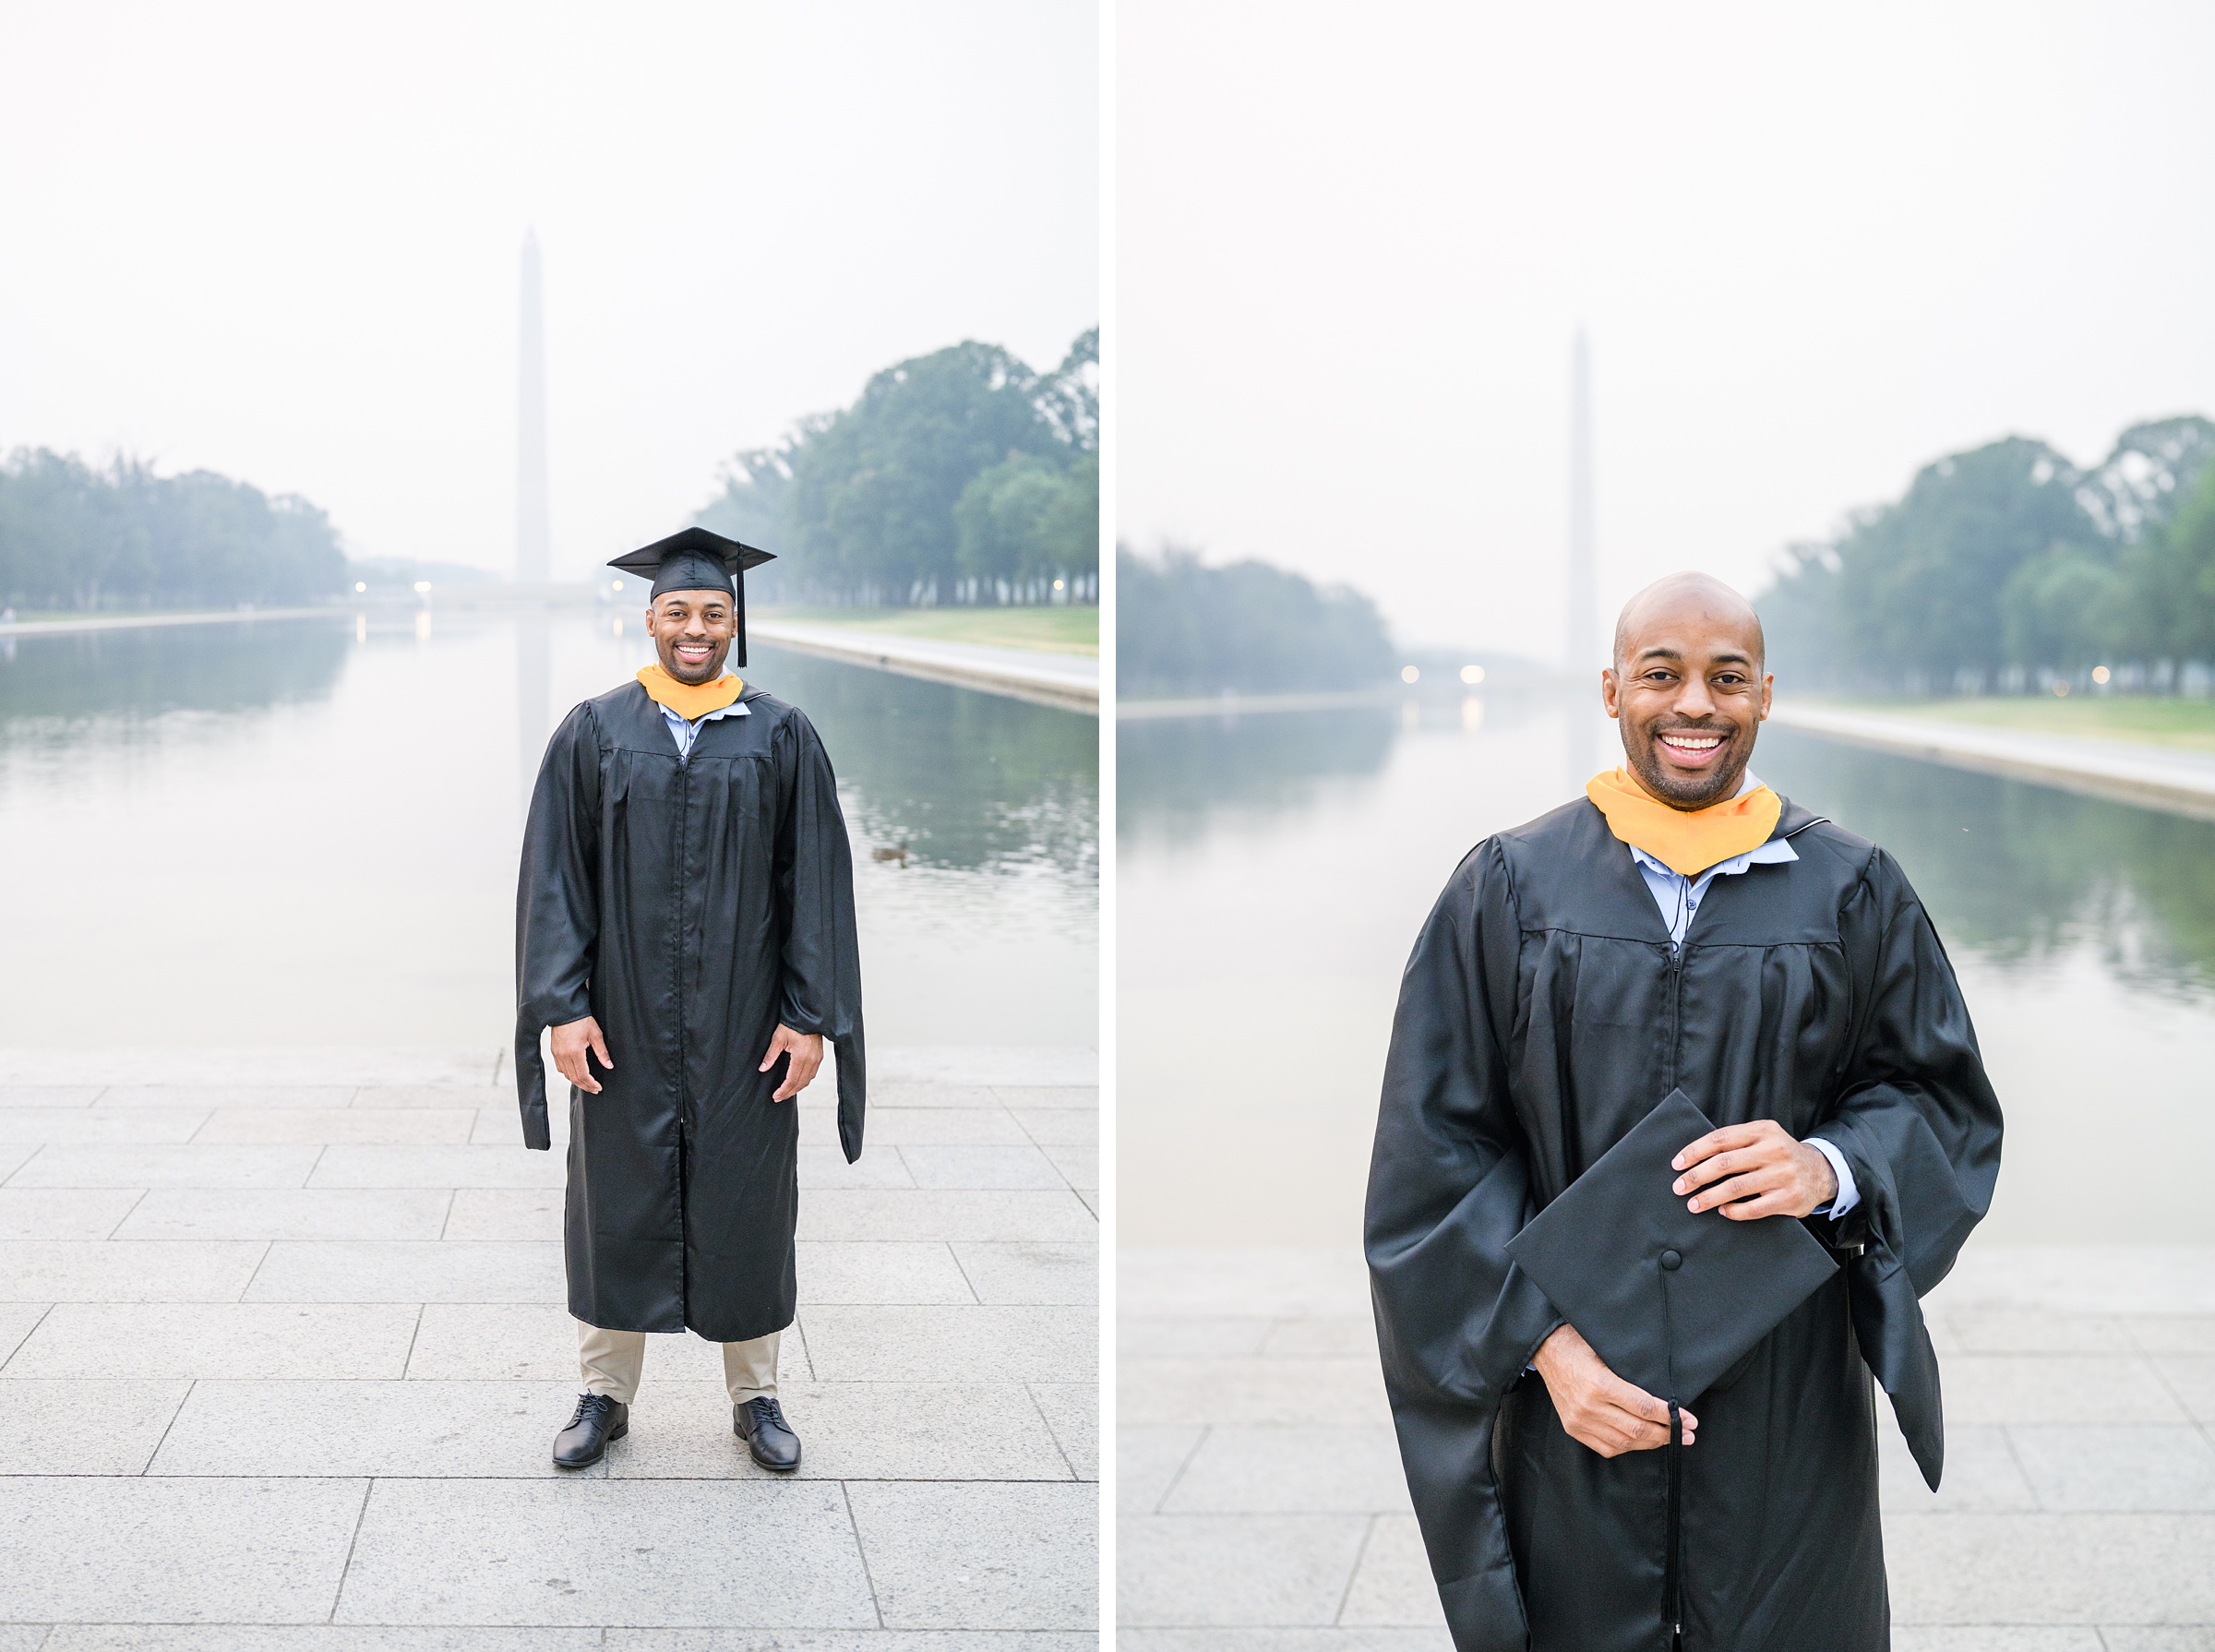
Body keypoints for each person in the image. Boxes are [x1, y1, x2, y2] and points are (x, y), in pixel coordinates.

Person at [1365, 572, 2003, 1650]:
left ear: (1766, 696)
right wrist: (1544, 1345)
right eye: (1662, 674)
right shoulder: (1510, 887)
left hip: (1785, 1398)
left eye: (1727, 677)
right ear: (1612, 689)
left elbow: (1938, 1098)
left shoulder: (1853, 889)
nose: (1695, 703)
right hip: (1577, 1398)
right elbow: (1438, 1151)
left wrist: (1830, 1164)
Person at [514, 526, 866, 1472]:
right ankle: (603, 1394)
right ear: (651, 620)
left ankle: (757, 1399)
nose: (696, 627)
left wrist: (807, 1014)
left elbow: (815, 886)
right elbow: (556, 876)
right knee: (613, 1199)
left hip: (746, 1022)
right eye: (679, 612)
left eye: (713, 612)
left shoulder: (781, 733)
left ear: (734, 621)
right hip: (621, 1019)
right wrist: (563, 1005)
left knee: (749, 1201)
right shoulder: (596, 729)